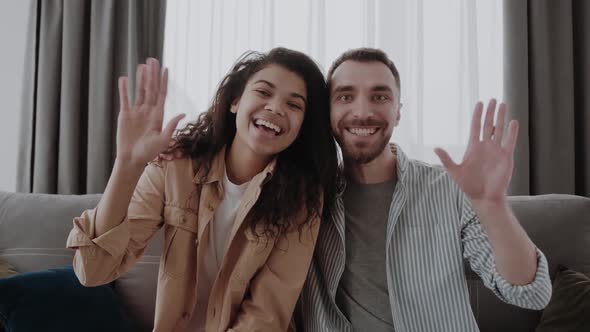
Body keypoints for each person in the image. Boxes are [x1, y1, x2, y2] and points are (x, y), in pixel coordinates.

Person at [66, 47, 339, 332]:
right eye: (263, 92)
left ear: (302, 127)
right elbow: (93, 270)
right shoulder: (176, 166)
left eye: (294, 105)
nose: (275, 108)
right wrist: (127, 165)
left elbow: (266, 317)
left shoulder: (303, 199)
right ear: (235, 101)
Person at [297, 48, 552, 332]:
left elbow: (532, 294)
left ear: (398, 113)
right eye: (345, 96)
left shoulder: (450, 190)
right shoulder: (305, 196)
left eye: (379, 97)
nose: (363, 112)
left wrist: (493, 206)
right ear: (327, 111)